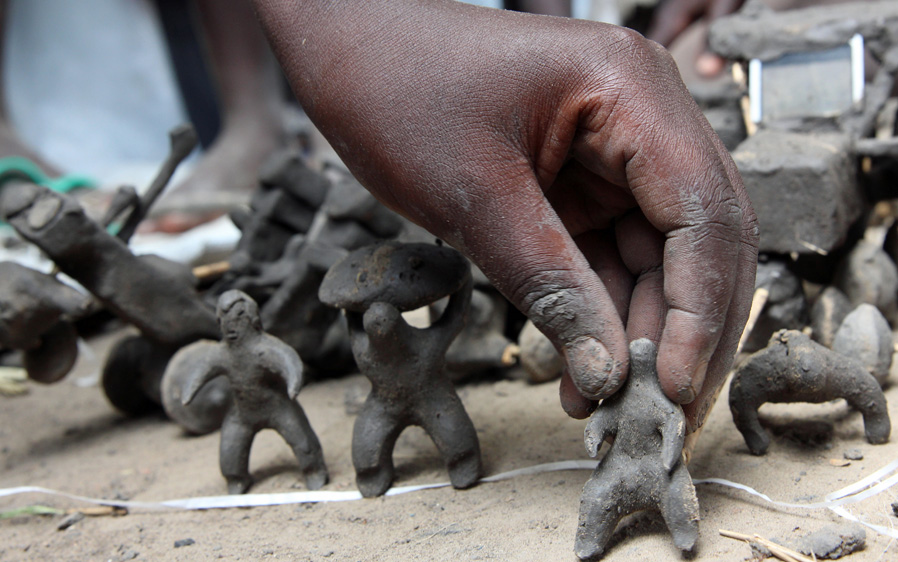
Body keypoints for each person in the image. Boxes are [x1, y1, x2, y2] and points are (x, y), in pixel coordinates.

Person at [249, 0, 759, 434]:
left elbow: (446, 321)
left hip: (431, 396)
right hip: (390, 401)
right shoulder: (387, 348)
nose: (380, 324)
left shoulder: (421, 345)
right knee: (380, 438)